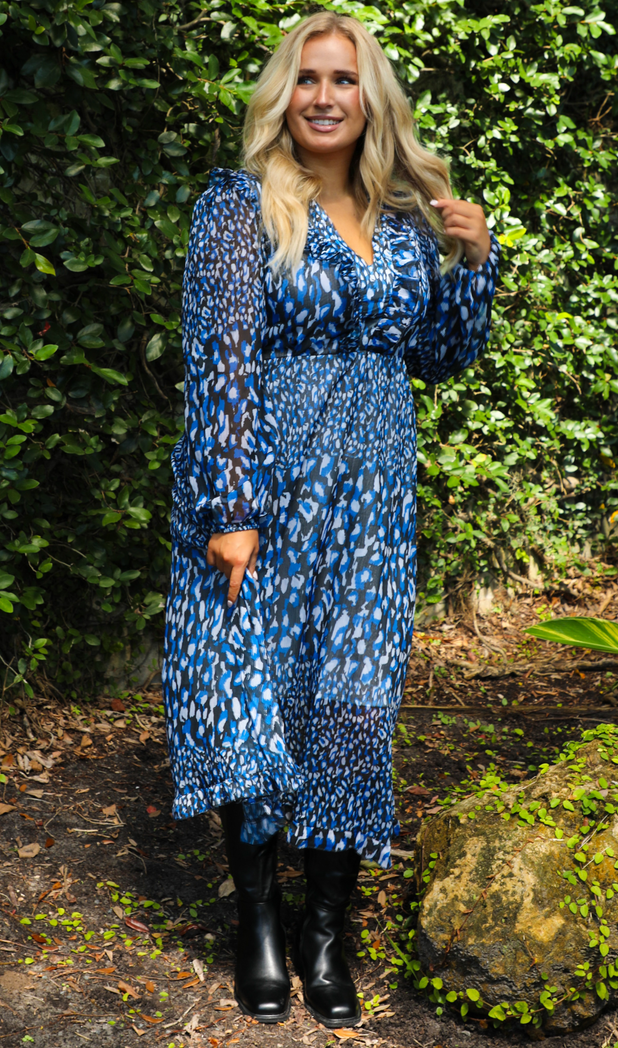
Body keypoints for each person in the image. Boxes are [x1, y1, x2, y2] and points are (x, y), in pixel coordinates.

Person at [163, 10, 499, 1030]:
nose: (322, 96)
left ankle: (326, 932)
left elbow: (439, 355)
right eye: (306, 78)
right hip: (264, 492)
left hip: (372, 503)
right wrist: (230, 508)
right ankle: (258, 925)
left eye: (342, 80)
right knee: (256, 704)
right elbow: (218, 363)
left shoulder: (403, 216)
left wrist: (474, 264)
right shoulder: (238, 205)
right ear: (283, 93)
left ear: (370, 98)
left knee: (350, 706)